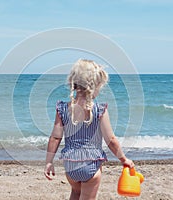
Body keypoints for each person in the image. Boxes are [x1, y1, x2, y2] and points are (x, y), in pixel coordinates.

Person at [44, 59, 135, 200]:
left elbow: (55, 137)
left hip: (70, 165)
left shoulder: (62, 108)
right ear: (94, 87)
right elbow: (110, 140)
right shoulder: (99, 110)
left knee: (75, 193)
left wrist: (49, 162)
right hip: (91, 165)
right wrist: (123, 159)